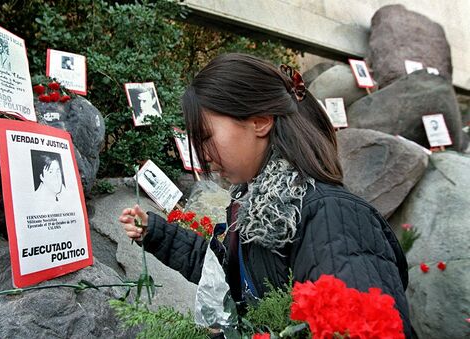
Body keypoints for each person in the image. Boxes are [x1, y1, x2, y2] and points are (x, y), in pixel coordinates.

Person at [119, 53, 412, 337]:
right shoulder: (260, 210)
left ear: (260, 121)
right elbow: (225, 276)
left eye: (206, 137)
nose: (203, 156)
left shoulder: (333, 218)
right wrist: (156, 232)